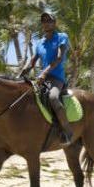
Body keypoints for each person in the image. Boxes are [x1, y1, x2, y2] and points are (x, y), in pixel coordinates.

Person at [20, 11, 73, 146]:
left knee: (53, 98)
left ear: (54, 23)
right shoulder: (39, 43)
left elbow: (59, 57)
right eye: (44, 21)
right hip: (42, 78)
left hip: (56, 78)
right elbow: (32, 61)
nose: (46, 23)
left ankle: (67, 132)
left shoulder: (62, 37)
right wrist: (22, 72)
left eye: (49, 20)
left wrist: (44, 73)